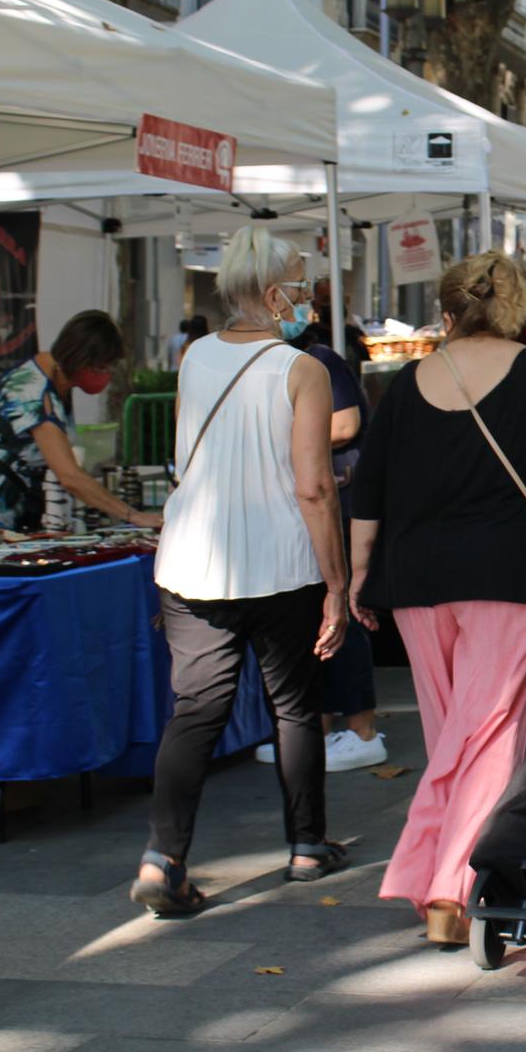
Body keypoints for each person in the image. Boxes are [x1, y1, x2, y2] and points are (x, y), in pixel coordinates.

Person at [350, 250, 526, 946]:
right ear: (515, 309)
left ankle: (441, 878)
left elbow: (369, 488)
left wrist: (358, 574)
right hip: (508, 576)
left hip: (418, 580)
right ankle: (448, 883)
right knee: (488, 733)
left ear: (447, 311)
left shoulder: (408, 380)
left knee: (452, 727)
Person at [130, 227, 353, 917]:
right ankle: (307, 843)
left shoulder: (195, 356)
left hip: (195, 560)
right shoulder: (302, 368)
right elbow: (315, 486)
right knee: (294, 705)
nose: (308, 296)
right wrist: (339, 584)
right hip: (280, 562)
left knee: (195, 712)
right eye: (298, 280)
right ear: (268, 290)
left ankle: (162, 858)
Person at [255, 285, 386, 773]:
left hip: (339, 507)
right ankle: (323, 728)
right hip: (309, 507)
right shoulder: (286, 366)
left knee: (344, 614)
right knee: (316, 617)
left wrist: (280, 443)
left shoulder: (320, 360)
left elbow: (346, 424)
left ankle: (362, 730)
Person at [0, 311, 159, 532]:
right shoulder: (32, 393)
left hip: (22, 517)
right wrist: (132, 515)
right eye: (101, 367)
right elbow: (69, 476)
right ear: (81, 359)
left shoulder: (56, 382)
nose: (106, 375)